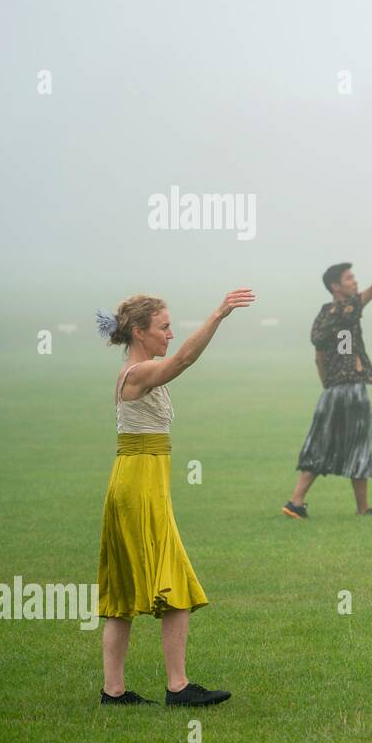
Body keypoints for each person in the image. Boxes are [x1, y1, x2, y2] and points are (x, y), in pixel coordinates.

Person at [94, 288, 254, 706]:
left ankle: (115, 692)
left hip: (143, 482)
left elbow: (175, 359)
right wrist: (218, 314)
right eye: (163, 327)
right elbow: (183, 360)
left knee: (125, 591)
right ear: (138, 331)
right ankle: (177, 687)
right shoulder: (137, 374)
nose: (170, 333)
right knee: (174, 584)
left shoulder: (141, 369)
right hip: (137, 485)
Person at [283, 244, 372, 518]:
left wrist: (327, 385)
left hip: (330, 391)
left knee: (319, 443)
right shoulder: (350, 307)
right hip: (353, 390)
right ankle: (363, 509)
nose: (355, 282)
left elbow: (318, 357)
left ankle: (295, 502)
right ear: (335, 286)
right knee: (359, 444)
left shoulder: (322, 316)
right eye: (349, 279)